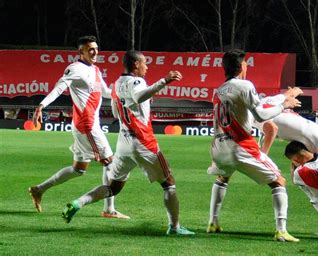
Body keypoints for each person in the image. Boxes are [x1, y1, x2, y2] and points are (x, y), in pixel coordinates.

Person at [61, 50, 195, 235]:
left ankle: (78, 202)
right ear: (135, 65)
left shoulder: (117, 84)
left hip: (124, 143)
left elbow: (117, 113)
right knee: (169, 183)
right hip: (143, 141)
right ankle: (174, 227)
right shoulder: (137, 82)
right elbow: (139, 96)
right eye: (144, 63)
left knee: (113, 187)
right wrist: (164, 81)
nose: (147, 67)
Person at [28, 36, 128, 219]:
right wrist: (41, 105)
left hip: (87, 125)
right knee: (110, 163)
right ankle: (109, 209)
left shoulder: (96, 70)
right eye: (90, 49)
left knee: (78, 169)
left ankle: (38, 189)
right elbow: (59, 88)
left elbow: (105, 92)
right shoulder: (75, 69)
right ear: (80, 52)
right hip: (87, 126)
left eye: (96, 49)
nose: (95, 52)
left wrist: (122, 92)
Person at [206, 49, 301, 242]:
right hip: (241, 147)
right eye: (246, 64)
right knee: (279, 181)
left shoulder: (219, 91)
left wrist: (282, 98)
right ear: (241, 66)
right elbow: (261, 115)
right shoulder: (245, 85)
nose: (247, 67)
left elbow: (254, 108)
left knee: (222, 177)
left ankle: (212, 222)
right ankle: (281, 231)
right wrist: (285, 105)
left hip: (219, 147)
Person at [253, 94, 318, 236]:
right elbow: (292, 92)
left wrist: (263, 155)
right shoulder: (268, 100)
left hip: (313, 141)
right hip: (312, 136)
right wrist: (293, 93)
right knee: (306, 182)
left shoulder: (254, 114)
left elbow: (272, 129)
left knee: (311, 187)